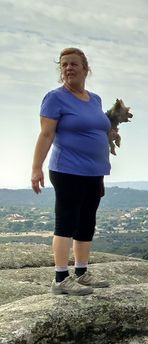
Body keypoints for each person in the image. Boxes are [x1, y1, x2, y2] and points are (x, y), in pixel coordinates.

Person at [31, 47, 114, 296]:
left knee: (87, 221)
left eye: (73, 64)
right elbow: (46, 134)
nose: (68, 68)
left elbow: (99, 129)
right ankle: (60, 278)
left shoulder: (95, 99)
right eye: (64, 64)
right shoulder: (55, 98)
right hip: (67, 169)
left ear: (85, 68)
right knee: (66, 221)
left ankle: (81, 272)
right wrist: (36, 168)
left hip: (94, 170)